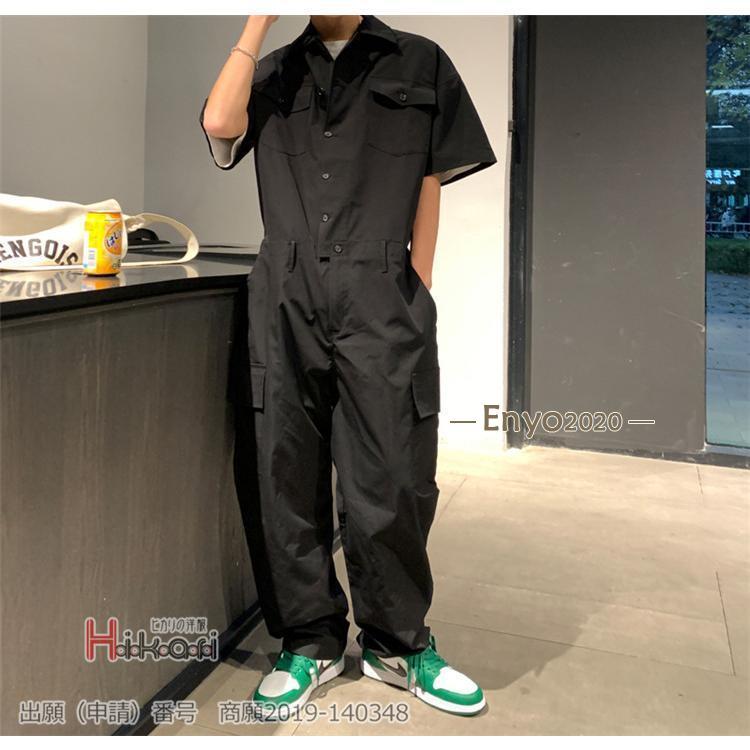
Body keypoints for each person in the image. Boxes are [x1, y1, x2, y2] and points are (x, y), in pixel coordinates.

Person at [199, 14, 497, 717]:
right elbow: (219, 124)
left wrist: (417, 280)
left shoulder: (421, 62)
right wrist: (258, 19)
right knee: (286, 471)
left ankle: (399, 643)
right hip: (287, 290)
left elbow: (431, 177)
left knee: (393, 473)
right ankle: (310, 641)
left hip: (381, 290)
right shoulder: (272, 69)